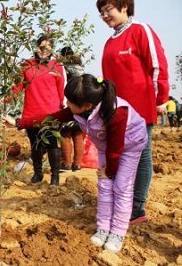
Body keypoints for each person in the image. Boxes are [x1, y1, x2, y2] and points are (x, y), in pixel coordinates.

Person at [9, 74, 147, 253]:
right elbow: (51, 118)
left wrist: (110, 171)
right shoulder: (79, 108)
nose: (67, 104)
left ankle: (118, 233)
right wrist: (20, 122)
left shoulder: (117, 113)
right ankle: (103, 228)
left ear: (87, 106)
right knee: (104, 185)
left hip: (130, 145)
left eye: (70, 101)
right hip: (107, 146)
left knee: (121, 187)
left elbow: (116, 149)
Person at [96, 0, 170, 225]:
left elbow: (157, 65)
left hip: (141, 106)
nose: (105, 15)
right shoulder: (109, 42)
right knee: (121, 155)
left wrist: (161, 99)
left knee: (142, 155)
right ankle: (123, 201)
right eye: (101, 12)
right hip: (117, 111)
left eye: (108, 9)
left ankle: (137, 208)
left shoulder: (141, 30)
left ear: (124, 6)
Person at [12, 34, 66, 185]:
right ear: (36, 47)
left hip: (51, 113)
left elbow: (61, 89)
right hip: (31, 112)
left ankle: (55, 178)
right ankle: (38, 173)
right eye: (41, 47)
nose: (44, 51)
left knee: (52, 144)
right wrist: (7, 100)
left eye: (48, 48)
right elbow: (17, 87)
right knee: (35, 145)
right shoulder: (27, 64)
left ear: (52, 50)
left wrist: (63, 108)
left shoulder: (57, 66)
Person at [58, 46, 85, 172]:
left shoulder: (64, 68)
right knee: (78, 134)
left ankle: (66, 163)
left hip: (68, 102)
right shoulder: (81, 68)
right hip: (81, 105)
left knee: (65, 133)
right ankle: (77, 164)